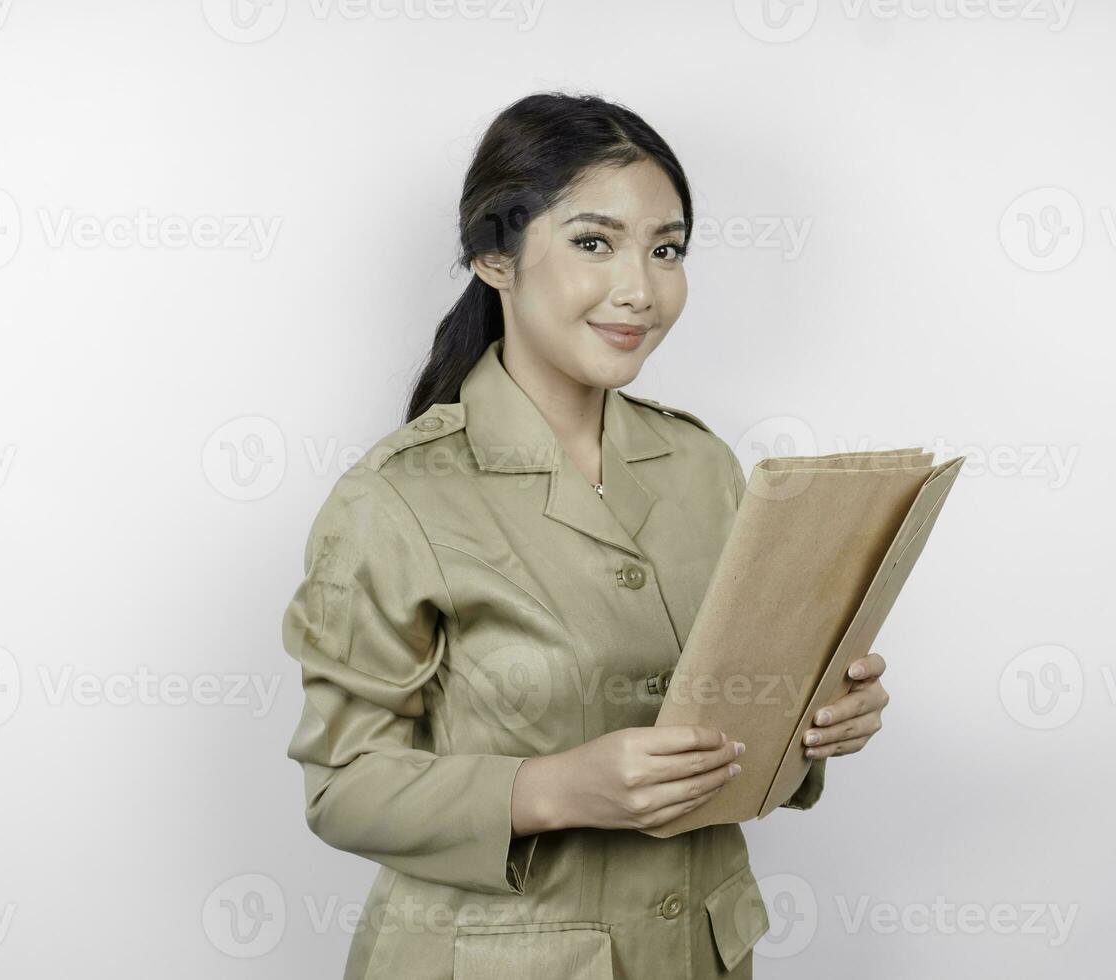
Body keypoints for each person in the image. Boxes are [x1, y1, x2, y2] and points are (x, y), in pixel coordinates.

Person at [280, 90, 891, 980]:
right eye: (593, 243)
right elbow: (341, 788)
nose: (640, 289)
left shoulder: (702, 466)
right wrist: (554, 788)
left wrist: (814, 718)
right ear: (496, 256)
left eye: (667, 249)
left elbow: (729, 717)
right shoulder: (398, 497)